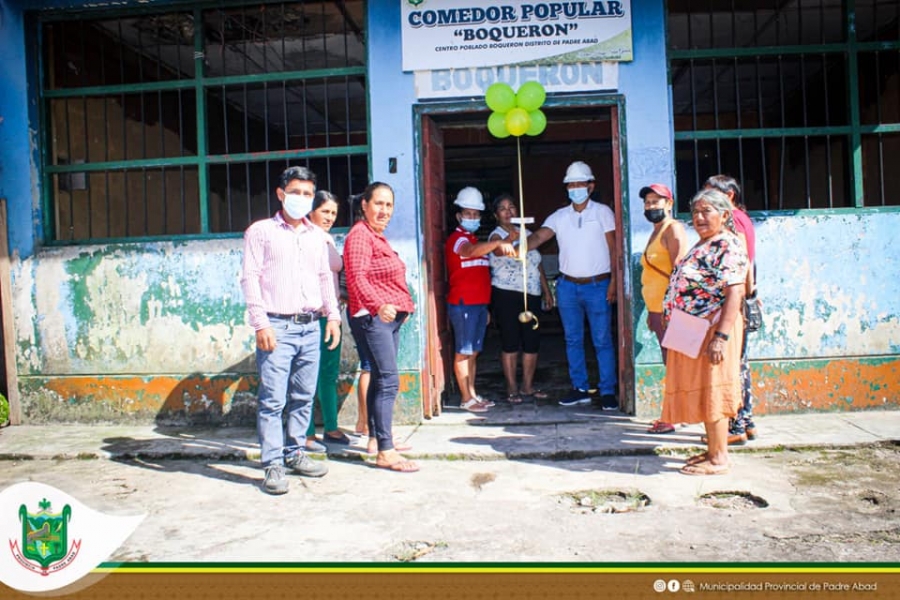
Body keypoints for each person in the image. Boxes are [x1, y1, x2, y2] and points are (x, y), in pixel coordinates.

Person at [240, 166, 340, 495]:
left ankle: (295, 453)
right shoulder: (261, 232)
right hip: (277, 326)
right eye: (295, 192)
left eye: (307, 194)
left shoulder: (317, 237)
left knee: (302, 396)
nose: (301, 199)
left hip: (311, 326)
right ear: (281, 194)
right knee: (272, 399)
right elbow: (250, 277)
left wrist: (334, 317)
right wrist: (261, 323)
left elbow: (326, 277)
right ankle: (272, 464)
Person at [661, 188, 749, 475]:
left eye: (706, 211)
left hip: (713, 329)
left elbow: (735, 291)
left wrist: (721, 337)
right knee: (703, 389)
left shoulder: (727, 245)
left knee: (714, 389)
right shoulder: (704, 244)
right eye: (695, 212)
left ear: (724, 215)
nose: (698, 217)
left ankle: (720, 458)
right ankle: (712, 450)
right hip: (694, 329)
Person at [527, 160, 618, 410]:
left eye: (580, 183)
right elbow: (538, 237)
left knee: (602, 340)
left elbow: (614, 249)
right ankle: (580, 388)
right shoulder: (559, 216)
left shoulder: (602, 213)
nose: (575, 188)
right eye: (571, 185)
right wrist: (513, 247)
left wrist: (614, 284)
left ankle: (608, 390)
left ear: (590, 186)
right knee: (572, 340)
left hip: (598, 285)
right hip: (567, 287)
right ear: (566, 188)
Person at [343, 181, 419, 472]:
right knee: (389, 381)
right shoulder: (360, 236)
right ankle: (385, 450)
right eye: (379, 204)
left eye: (389, 205)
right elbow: (357, 278)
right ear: (364, 204)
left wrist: (404, 305)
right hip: (373, 318)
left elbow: (386, 277)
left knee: (378, 378)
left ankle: (377, 439)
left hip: (387, 318)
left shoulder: (376, 237)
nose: (384, 210)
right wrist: (379, 305)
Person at [445, 187, 517, 413]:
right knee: (463, 352)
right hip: (463, 303)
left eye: (476, 215)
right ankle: (466, 398)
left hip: (477, 305)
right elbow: (469, 251)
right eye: (468, 214)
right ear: (459, 216)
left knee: (473, 352)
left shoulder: (473, 238)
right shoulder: (458, 239)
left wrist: (485, 307)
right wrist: (496, 243)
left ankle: (473, 394)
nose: (473, 218)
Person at [704, 175, 758, 445]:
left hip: (734, 300)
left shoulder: (733, 221)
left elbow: (741, 263)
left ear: (729, 196)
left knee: (731, 364)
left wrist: (747, 293)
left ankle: (735, 425)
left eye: (711, 196)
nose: (705, 202)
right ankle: (746, 421)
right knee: (741, 363)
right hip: (743, 298)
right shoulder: (744, 218)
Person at [488, 192, 554, 404]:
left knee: (532, 342)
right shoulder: (495, 235)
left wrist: (546, 290)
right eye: (503, 208)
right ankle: (512, 388)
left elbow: (536, 262)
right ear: (496, 215)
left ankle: (527, 386)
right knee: (510, 342)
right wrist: (511, 239)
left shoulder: (528, 233)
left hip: (532, 294)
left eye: (512, 207)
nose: (509, 212)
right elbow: (500, 251)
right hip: (507, 294)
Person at [304, 190, 353, 450]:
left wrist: (342, 296)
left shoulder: (327, 238)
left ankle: (331, 428)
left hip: (333, 315)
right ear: (311, 211)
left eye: (333, 213)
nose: (330, 217)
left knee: (328, 374)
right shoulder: (305, 238)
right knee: (308, 374)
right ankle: (308, 433)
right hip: (315, 317)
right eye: (325, 211)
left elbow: (333, 277)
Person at [638, 184, 689, 434]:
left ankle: (672, 416)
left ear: (669, 203)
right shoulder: (656, 231)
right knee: (671, 362)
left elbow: (680, 271)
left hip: (671, 311)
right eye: (647, 202)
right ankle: (677, 413)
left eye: (656, 202)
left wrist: (670, 311)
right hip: (658, 310)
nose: (651, 207)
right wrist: (651, 312)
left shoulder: (673, 229)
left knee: (676, 363)